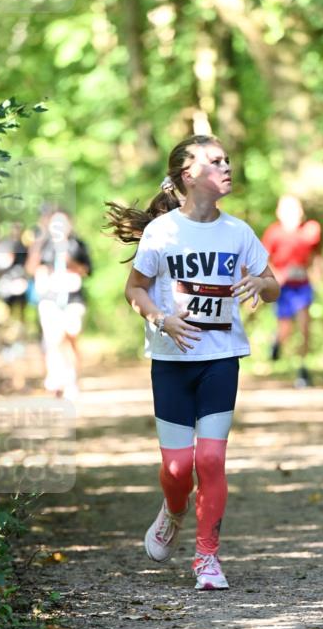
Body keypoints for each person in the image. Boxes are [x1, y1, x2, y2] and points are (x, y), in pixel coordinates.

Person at [107, 134, 279, 591]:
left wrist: (261, 286)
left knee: (211, 458)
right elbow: (135, 288)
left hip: (220, 358)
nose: (227, 166)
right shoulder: (161, 233)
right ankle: (174, 509)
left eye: (228, 158)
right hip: (171, 361)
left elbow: (272, 282)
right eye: (216, 161)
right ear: (188, 174)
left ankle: (206, 557)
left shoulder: (238, 232)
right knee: (178, 470)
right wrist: (162, 318)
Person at [28, 209, 92, 400]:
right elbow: (31, 268)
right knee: (53, 339)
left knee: (70, 336)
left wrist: (71, 263)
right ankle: (56, 380)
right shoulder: (44, 244)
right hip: (49, 298)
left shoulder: (78, 245)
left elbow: (88, 270)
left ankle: (71, 379)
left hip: (73, 299)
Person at [261, 195, 322, 387]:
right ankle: (276, 343)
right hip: (284, 288)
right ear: (280, 213)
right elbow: (263, 259)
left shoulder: (310, 231)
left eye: (295, 209)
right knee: (285, 329)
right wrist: (277, 275)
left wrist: (317, 277)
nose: (292, 214)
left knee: (305, 326)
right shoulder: (274, 233)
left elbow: (316, 257)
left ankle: (303, 370)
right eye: (287, 210)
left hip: (302, 285)